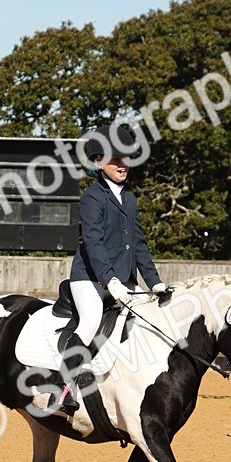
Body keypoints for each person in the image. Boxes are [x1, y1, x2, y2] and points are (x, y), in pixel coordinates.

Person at [46, 122, 166, 414]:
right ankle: (62, 391)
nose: (123, 165)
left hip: (123, 280)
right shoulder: (91, 198)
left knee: (151, 318)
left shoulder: (130, 198)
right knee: (90, 320)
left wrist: (155, 282)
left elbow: (138, 244)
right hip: (89, 278)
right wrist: (109, 280)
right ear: (99, 162)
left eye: (127, 159)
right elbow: (95, 243)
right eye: (116, 159)